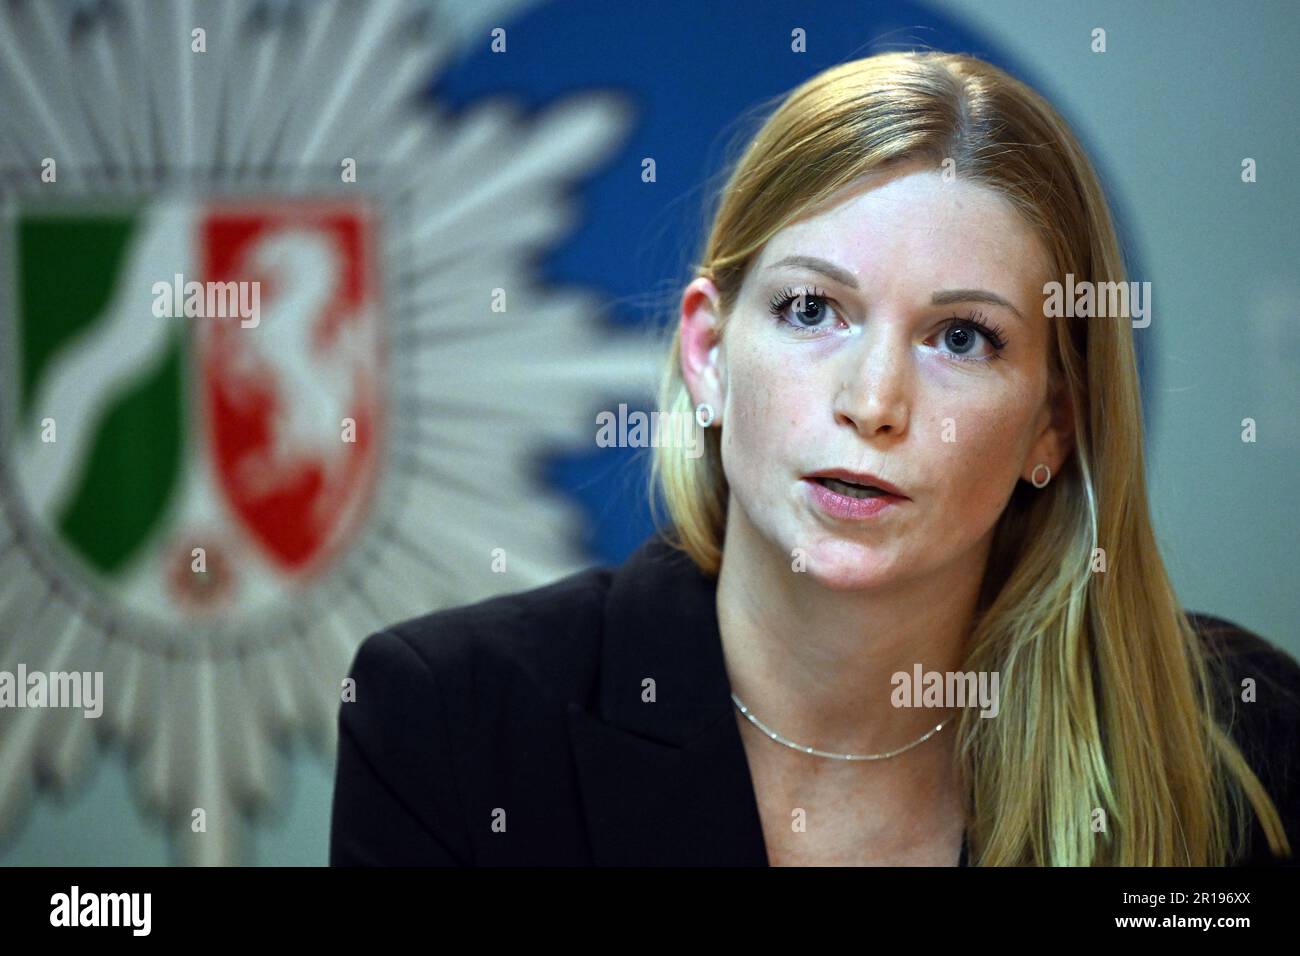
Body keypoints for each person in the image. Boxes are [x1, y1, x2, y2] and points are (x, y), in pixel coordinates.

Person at [329, 50, 1300, 866]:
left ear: (1051, 424)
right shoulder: (453, 722)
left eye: (960, 336)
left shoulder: (1231, 741)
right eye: (811, 310)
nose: (872, 402)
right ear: (707, 353)